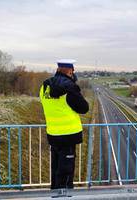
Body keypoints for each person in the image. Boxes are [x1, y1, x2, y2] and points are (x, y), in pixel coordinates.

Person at [39, 59, 89, 190]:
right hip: (69, 136)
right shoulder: (69, 88)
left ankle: (54, 194)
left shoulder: (45, 87)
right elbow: (84, 108)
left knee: (56, 171)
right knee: (66, 174)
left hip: (53, 134)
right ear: (70, 71)